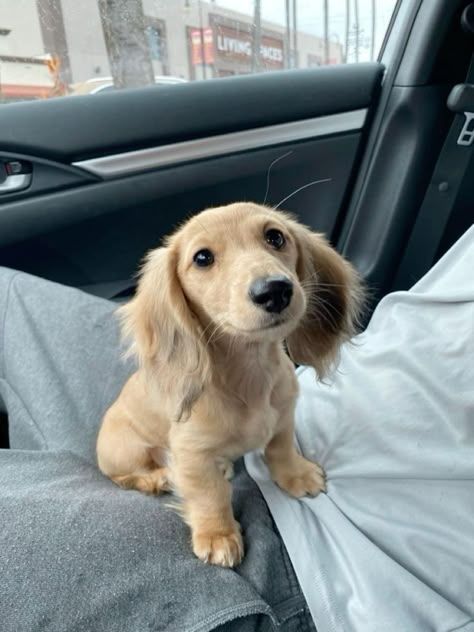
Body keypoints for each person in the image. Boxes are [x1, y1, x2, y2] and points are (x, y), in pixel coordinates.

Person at [1, 226, 473, 631]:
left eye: (274, 239)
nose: (267, 276)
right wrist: (212, 517)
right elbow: (193, 449)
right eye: (204, 259)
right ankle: (137, 478)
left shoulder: (284, 375)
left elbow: (280, 415)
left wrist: (283, 466)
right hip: (141, 438)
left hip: (314, 552)